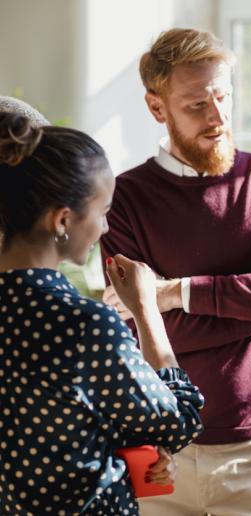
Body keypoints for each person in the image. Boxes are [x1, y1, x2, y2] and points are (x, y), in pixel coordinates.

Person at [100, 28, 251, 515]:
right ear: (158, 108)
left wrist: (171, 293)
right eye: (197, 105)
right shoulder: (123, 199)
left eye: (224, 97)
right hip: (159, 457)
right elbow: (138, 331)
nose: (218, 117)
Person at [0, 112, 205, 515]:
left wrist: (125, 448)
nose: (106, 227)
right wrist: (146, 310)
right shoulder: (83, 324)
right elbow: (178, 420)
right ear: (63, 219)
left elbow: (46, 429)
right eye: (103, 210)